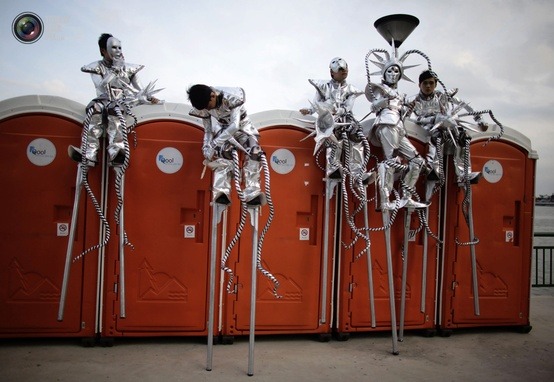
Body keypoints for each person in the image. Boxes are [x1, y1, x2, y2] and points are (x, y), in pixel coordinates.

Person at [69, 33, 160, 166]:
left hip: (124, 102)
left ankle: (116, 151)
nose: (118, 51)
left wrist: (148, 97)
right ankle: (89, 153)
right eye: (114, 48)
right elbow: (101, 86)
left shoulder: (129, 68)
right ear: (103, 50)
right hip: (103, 100)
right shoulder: (96, 67)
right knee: (95, 110)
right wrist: (115, 71)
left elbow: (139, 90)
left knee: (115, 110)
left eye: (119, 48)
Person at [409, 70, 487, 198]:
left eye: (431, 83)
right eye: (425, 83)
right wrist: (432, 120)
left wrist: (480, 120)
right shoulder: (412, 100)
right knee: (436, 136)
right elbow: (405, 117)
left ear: (435, 84)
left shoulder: (441, 97)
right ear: (419, 85)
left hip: (444, 127)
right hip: (424, 129)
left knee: (462, 136)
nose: (428, 86)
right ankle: (433, 169)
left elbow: (464, 104)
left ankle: (463, 174)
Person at [187, 84, 265, 206]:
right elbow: (207, 130)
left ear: (212, 96)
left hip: (243, 129)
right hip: (223, 130)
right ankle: (221, 191)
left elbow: (234, 125)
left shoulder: (231, 98)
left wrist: (214, 143)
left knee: (254, 152)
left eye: (208, 106)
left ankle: (252, 192)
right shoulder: (204, 108)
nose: (207, 110)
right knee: (223, 153)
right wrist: (206, 147)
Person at [366, 62, 428, 210]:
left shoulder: (400, 95)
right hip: (387, 125)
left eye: (396, 71)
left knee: (417, 161)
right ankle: (385, 201)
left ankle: (406, 197)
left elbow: (408, 111)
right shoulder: (381, 89)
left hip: (399, 128)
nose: (393, 74)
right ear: (384, 73)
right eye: (390, 70)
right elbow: (373, 106)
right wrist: (384, 101)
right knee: (391, 161)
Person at [300, 57, 369, 184]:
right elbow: (316, 103)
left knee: (356, 138)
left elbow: (349, 105)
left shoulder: (351, 89)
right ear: (332, 72)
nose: (344, 71)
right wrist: (309, 111)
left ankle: (357, 173)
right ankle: (333, 168)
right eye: (341, 69)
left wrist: (342, 111)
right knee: (333, 138)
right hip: (329, 119)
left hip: (347, 120)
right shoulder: (323, 86)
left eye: (345, 69)